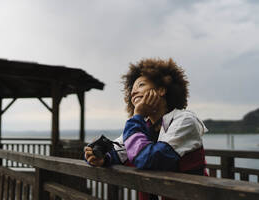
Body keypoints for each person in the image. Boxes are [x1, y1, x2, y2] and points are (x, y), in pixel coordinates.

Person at [84, 58, 208, 200]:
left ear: (161, 90)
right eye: (132, 90)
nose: (133, 93)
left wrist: (138, 116)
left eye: (141, 85)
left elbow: (147, 159)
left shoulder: (185, 120)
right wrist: (100, 157)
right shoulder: (143, 126)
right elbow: (118, 152)